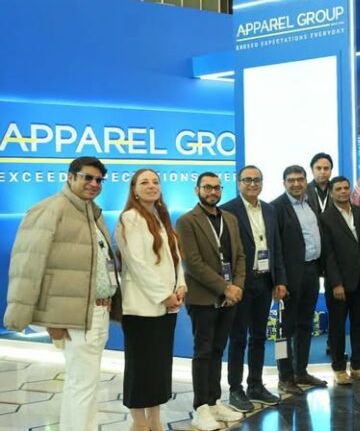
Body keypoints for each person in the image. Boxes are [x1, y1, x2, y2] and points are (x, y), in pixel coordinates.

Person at [4, 156, 119, 431]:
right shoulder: (50, 209)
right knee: (83, 385)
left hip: (98, 311)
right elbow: (27, 266)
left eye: (99, 179)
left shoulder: (93, 212)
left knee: (84, 384)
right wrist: (44, 319)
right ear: (70, 177)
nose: (94, 184)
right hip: (73, 316)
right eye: (87, 177)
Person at [115, 168, 187, 431]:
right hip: (141, 309)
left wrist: (180, 286)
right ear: (134, 190)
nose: (151, 186)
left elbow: (174, 258)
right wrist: (164, 295)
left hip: (166, 308)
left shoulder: (160, 217)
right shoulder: (129, 218)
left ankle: (155, 419)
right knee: (140, 368)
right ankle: (139, 422)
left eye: (155, 181)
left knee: (158, 368)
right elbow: (137, 264)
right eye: (144, 182)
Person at [177, 172, 245, 430]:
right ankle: (201, 407)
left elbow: (240, 256)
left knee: (218, 350)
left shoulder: (230, 219)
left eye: (217, 188)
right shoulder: (187, 221)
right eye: (207, 187)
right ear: (197, 190)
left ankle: (215, 402)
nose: (212, 192)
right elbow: (193, 263)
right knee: (203, 352)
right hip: (203, 296)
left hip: (230, 296)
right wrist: (225, 287)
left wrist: (237, 287)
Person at [221, 165, 288, 412]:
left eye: (257, 180)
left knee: (259, 337)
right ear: (238, 183)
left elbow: (276, 247)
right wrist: (229, 284)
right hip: (240, 283)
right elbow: (224, 252)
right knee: (238, 337)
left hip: (265, 280)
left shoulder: (270, 210)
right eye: (247, 180)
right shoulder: (228, 210)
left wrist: (280, 280)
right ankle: (235, 389)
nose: (252, 184)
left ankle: (256, 385)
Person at [272, 165, 328, 394]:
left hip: (311, 272)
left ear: (306, 181)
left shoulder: (310, 202)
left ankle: (300, 371)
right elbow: (275, 247)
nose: (296, 184)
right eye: (291, 180)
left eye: (300, 179)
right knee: (283, 330)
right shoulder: (276, 207)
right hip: (288, 277)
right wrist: (279, 280)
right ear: (284, 183)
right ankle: (284, 377)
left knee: (305, 324)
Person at [320, 176, 360, 385]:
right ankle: (338, 368)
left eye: (346, 188)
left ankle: (358, 367)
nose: (343, 192)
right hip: (339, 284)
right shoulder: (325, 218)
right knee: (337, 327)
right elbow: (328, 254)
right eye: (339, 189)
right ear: (331, 192)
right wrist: (336, 283)